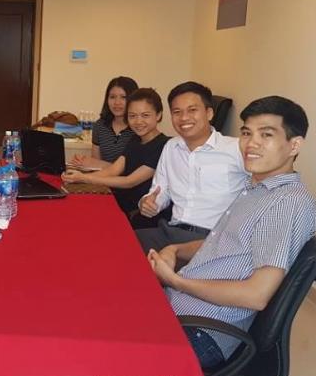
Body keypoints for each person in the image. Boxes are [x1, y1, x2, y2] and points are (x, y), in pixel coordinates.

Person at [0, 95, 316, 376]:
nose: (251, 144)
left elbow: (256, 295)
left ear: (294, 144)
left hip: (200, 331)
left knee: (71, 342)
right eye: (247, 133)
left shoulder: (286, 203)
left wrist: (176, 281)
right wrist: (176, 251)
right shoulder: (257, 189)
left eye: (267, 135)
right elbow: (222, 242)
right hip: (177, 308)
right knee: (79, 307)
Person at [135, 81, 248, 253]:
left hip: (212, 240)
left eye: (192, 110)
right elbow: (160, 190)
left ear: (209, 113)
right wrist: (149, 202)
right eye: (177, 112)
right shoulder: (171, 147)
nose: (184, 118)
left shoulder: (236, 148)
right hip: (171, 231)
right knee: (120, 243)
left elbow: (263, 189)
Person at [62, 88, 169, 227]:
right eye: (132, 116)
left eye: (145, 115)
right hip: (120, 201)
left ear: (158, 115)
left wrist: (84, 178)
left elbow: (129, 181)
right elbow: (113, 170)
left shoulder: (164, 145)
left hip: (141, 213)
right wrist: (79, 177)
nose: (138, 121)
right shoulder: (135, 140)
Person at [72, 76, 138, 170]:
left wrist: (99, 164)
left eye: (123, 97)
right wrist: (82, 162)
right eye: (112, 97)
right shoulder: (100, 126)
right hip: (102, 178)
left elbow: (134, 172)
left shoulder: (138, 129)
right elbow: (95, 165)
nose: (117, 102)